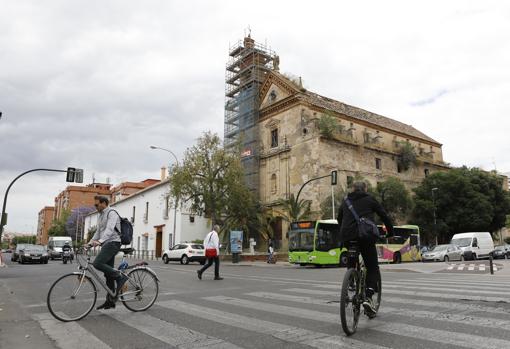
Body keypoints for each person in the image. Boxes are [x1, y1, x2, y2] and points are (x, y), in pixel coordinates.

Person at [337, 181, 393, 316]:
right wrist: (390, 232)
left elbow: (339, 219)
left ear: (353, 189)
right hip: (366, 237)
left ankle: (351, 279)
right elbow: (384, 215)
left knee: (352, 259)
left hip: (348, 237)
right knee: (372, 267)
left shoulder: (345, 201)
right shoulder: (369, 199)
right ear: (365, 189)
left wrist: (346, 229)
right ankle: (368, 296)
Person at [89, 195, 128, 310]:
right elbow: (98, 231)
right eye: (94, 205)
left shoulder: (112, 213)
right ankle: (110, 301)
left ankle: (120, 277)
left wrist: (100, 241)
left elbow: (109, 230)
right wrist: (90, 243)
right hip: (107, 243)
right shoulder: (100, 215)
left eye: (97, 205)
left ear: (104, 203)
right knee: (108, 274)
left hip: (114, 242)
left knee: (97, 263)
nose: (95, 207)